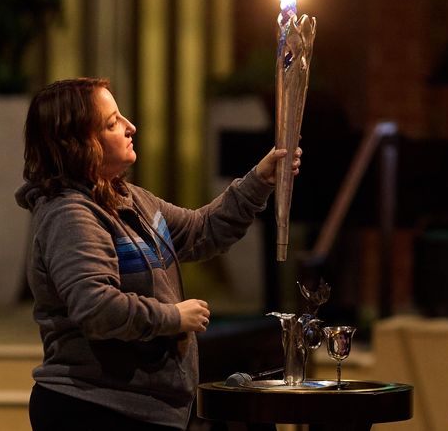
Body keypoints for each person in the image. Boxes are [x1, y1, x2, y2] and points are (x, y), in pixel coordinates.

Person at [15, 77, 301, 431]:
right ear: (79, 145)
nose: (130, 127)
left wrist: (260, 179)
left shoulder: (131, 199)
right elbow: (97, 308)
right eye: (112, 122)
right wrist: (173, 317)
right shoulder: (71, 215)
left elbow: (203, 230)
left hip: (142, 409)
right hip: (97, 409)